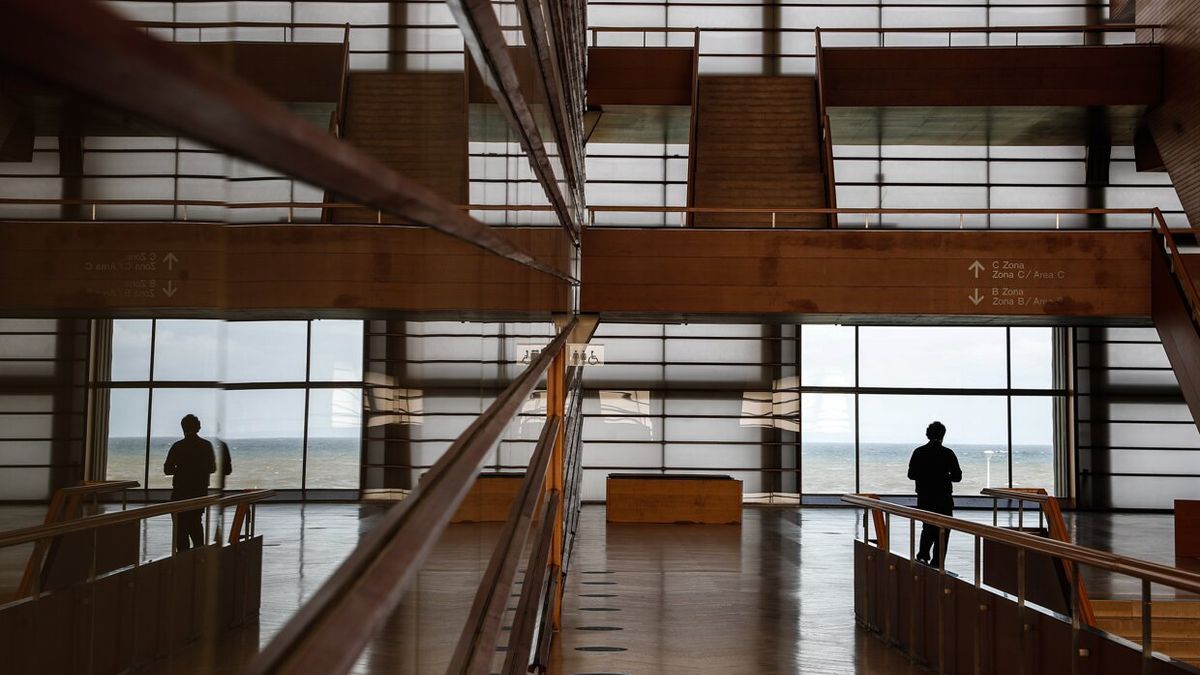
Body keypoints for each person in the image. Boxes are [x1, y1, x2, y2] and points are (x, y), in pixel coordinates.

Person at [907, 421, 962, 567]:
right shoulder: (948, 453)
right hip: (943, 498)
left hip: (925, 497)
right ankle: (938, 562)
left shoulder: (918, 452)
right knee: (944, 529)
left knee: (928, 526)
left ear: (927, 434)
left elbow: (911, 475)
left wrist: (925, 476)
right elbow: (957, 477)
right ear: (943, 435)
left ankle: (923, 555)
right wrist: (943, 476)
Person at [164, 414, 216, 551]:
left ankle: (182, 563)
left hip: (180, 493)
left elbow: (167, 470)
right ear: (198, 427)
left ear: (183, 428)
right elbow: (213, 468)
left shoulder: (178, 447)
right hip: (199, 493)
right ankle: (199, 558)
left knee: (180, 530)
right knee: (196, 525)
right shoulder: (206, 446)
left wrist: (181, 470)